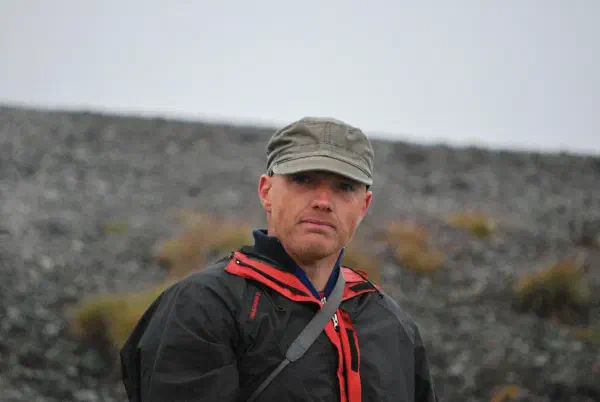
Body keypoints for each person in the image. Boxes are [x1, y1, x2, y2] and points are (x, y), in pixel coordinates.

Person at [120, 117, 438, 401]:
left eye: (344, 187)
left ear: (364, 206)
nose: (323, 201)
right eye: (303, 180)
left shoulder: (393, 325)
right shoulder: (203, 306)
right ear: (266, 191)